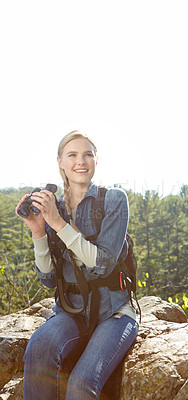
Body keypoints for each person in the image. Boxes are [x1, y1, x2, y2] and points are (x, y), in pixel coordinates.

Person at [16, 130, 139, 400]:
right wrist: (38, 231)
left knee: (80, 387)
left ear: (96, 160)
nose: (80, 161)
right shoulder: (54, 207)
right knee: (38, 348)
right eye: (72, 155)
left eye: (88, 154)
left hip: (114, 312)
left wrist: (58, 224)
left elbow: (104, 264)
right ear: (60, 161)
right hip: (70, 311)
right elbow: (48, 279)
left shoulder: (114, 199)